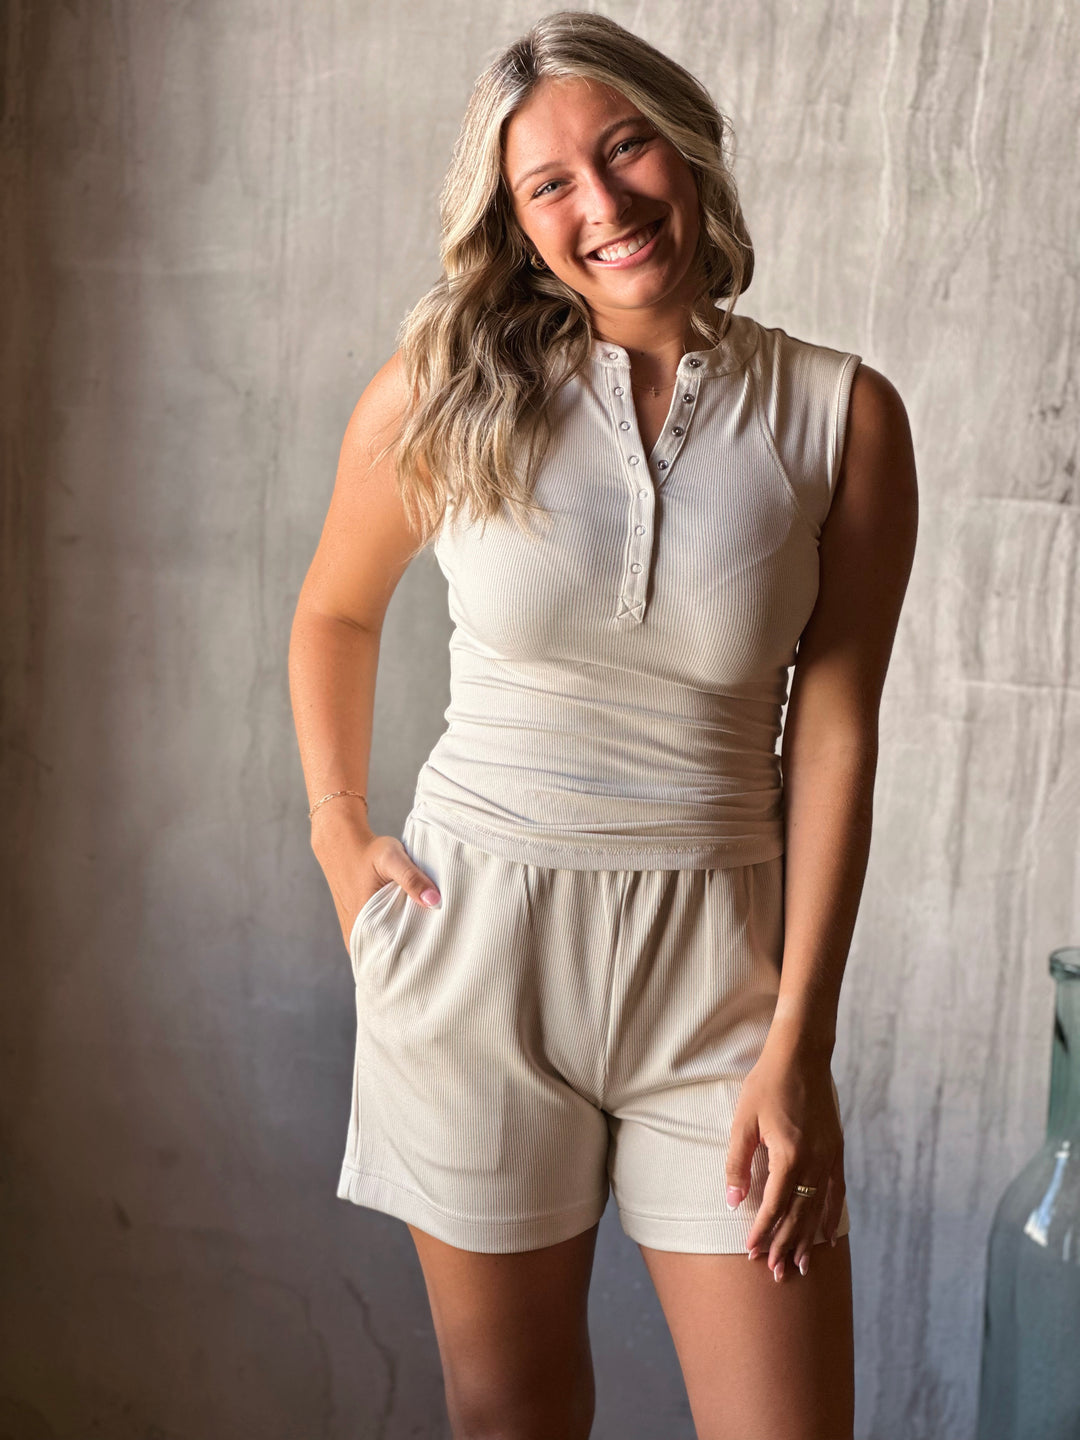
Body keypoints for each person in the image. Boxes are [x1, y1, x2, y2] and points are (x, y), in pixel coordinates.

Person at [288, 11, 917, 1439]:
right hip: (472, 956)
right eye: (549, 184)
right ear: (512, 225)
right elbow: (332, 614)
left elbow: (833, 735)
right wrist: (342, 844)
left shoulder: (841, 419)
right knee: (512, 1423)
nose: (604, 202)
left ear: (684, 144)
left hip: (724, 988)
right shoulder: (441, 394)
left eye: (624, 146)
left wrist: (799, 1039)